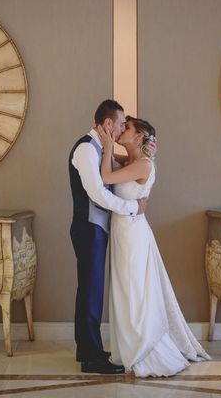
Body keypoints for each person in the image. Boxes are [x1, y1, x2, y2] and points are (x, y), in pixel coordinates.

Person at [97, 116, 211, 377]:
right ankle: (127, 345)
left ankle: (142, 348)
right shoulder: (134, 162)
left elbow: (105, 174)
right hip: (124, 232)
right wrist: (109, 144)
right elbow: (116, 164)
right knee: (126, 289)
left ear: (138, 137)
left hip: (132, 235)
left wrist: (106, 146)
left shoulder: (143, 166)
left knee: (133, 291)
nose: (121, 130)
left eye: (126, 128)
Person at [68, 99, 148, 374]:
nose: (123, 127)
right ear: (107, 124)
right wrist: (132, 208)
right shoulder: (85, 150)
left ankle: (86, 350)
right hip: (89, 228)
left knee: (91, 291)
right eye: (121, 123)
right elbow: (98, 194)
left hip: (96, 228)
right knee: (91, 293)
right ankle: (91, 359)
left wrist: (148, 147)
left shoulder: (101, 149)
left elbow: (134, 164)